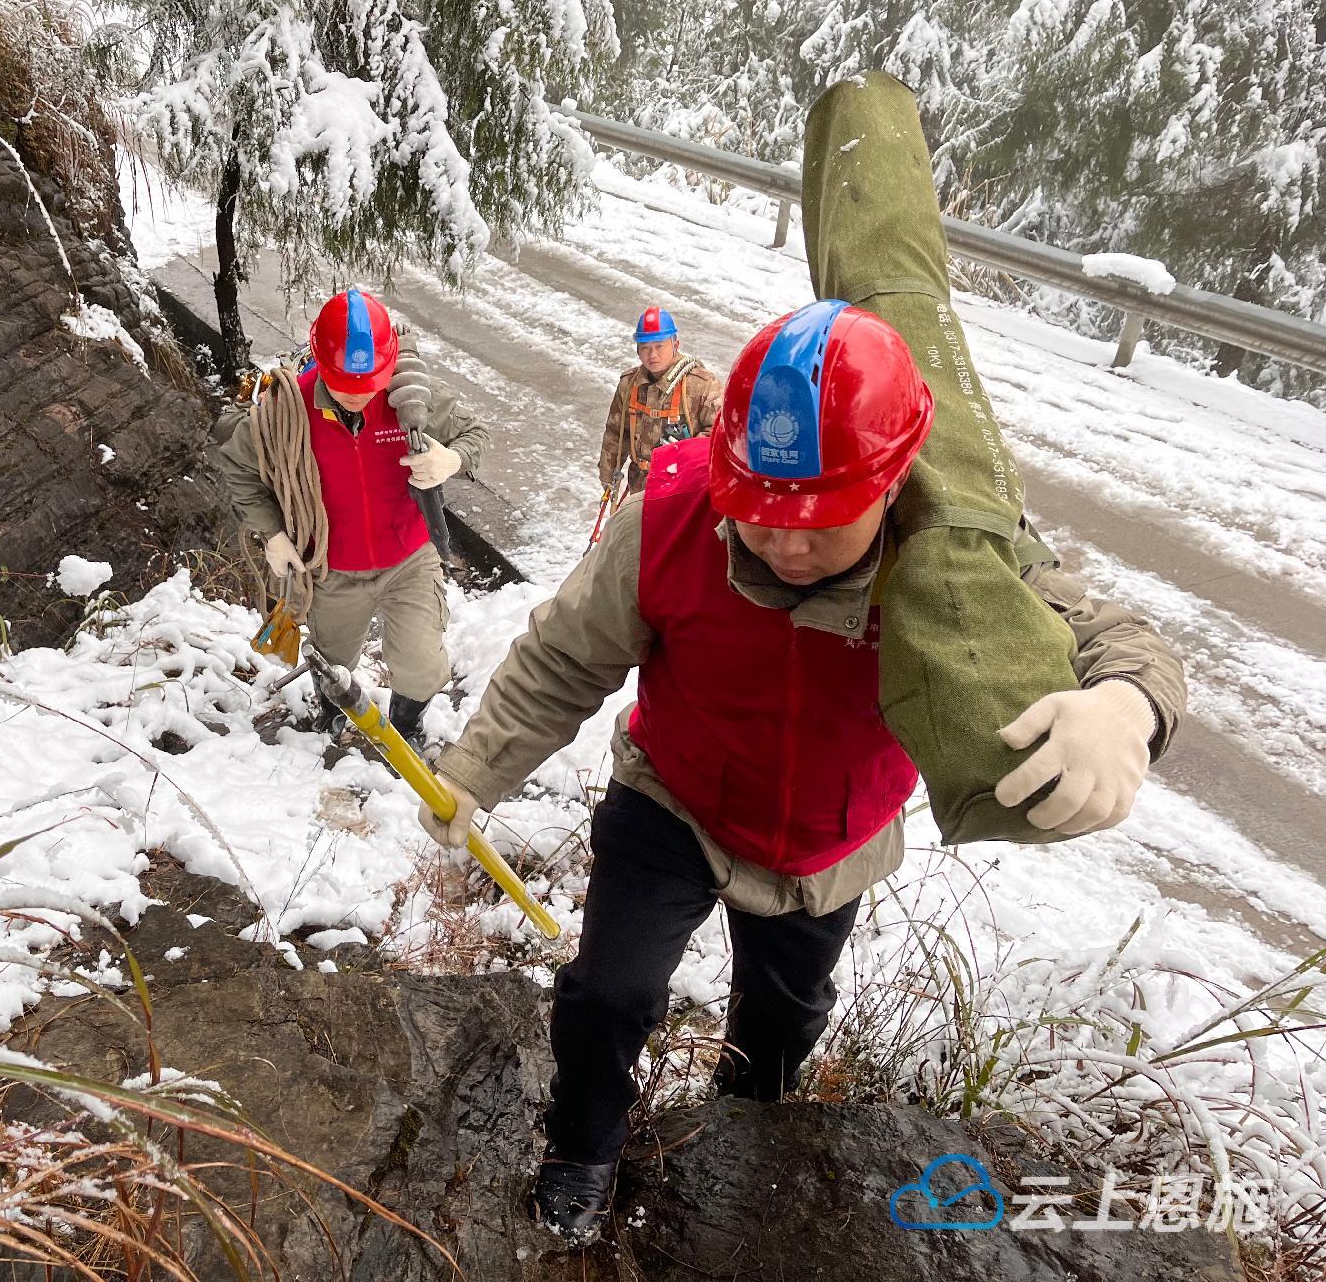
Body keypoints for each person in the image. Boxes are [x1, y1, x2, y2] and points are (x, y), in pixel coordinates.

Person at [423, 307, 1185, 1247]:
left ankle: (740, 1140)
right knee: (609, 995)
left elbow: (1120, 639)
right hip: (677, 798)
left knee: (783, 1026)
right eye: (762, 513)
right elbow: (563, 659)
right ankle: (580, 1153)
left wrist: (1127, 708)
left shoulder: (956, 551)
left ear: (892, 482)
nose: (784, 546)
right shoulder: (668, 517)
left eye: (820, 523)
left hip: (831, 838)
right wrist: (474, 769)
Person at [214, 287, 487, 743]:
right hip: (331, 565)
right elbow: (238, 466)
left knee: (422, 666)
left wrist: (452, 459)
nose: (360, 396)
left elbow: (475, 433)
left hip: (408, 557)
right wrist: (272, 534)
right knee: (332, 660)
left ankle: (405, 723)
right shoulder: (287, 409)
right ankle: (333, 713)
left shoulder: (410, 398)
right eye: (346, 385)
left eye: (370, 383)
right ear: (320, 362)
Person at [596, 305, 721, 498]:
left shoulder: (701, 385)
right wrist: (608, 474)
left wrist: (682, 453)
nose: (652, 354)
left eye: (659, 346)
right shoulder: (630, 384)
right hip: (640, 485)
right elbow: (617, 432)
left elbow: (719, 436)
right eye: (645, 348)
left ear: (675, 344)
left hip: (684, 487)